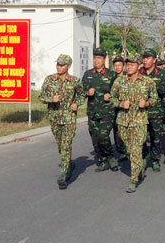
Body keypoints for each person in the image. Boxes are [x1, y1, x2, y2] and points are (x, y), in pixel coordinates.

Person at [110, 53, 158, 192]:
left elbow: (155, 98)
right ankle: (140, 162)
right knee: (130, 149)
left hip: (139, 121)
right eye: (128, 64)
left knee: (135, 149)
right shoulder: (119, 81)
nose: (129, 66)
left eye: (132, 64)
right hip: (123, 121)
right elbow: (111, 98)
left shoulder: (147, 82)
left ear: (139, 66)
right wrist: (120, 104)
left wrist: (147, 103)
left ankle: (134, 178)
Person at [39, 54, 84, 189]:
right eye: (58, 64)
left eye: (62, 65)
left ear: (68, 66)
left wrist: (77, 103)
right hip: (54, 117)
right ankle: (69, 163)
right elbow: (41, 96)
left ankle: (64, 174)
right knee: (60, 144)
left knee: (66, 144)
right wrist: (50, 99)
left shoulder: (74, 81)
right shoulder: (50, 79)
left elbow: (82, 94)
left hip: (69, 117)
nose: (59, 67)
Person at [81, 47, 119, 172]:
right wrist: (87, 92)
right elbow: (81, 92)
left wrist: (111, 96)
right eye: (95, 58)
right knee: (95, 138)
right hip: (92, 111)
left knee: (103, 136)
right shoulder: (88, 74)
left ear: (104, 59)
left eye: (99, 58)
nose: (96, 60)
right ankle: (102, 160)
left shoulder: (111, 75)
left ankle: (110, 157)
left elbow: (119, 92)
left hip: (106, 111)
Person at [139, 48, 165, 172]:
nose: (145, 60)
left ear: (154, 60)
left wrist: (154, 86)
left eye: (148, 58)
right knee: (141, 137)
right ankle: (144, 157)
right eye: (144, 58)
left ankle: (155, 159)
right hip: (140, 112)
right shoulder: (138, 73)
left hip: (155, 112)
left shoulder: (161, 74)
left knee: (155, 137)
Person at [111, 54, 127, 160]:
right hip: (115, 109)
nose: (117, 67)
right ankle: (121, 151)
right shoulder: (111, 79)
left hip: (126, 109)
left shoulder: (128, 77)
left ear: (124, 66)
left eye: (119, 65)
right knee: (117, 131)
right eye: (115, 65)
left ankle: (128, 150)